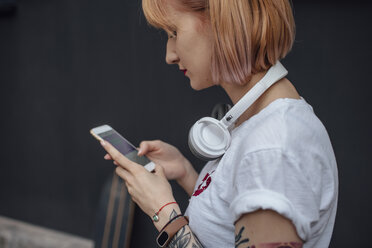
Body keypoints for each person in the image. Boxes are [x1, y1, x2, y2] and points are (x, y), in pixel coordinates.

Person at [100, 0, 338, 247]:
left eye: (174, 32)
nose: (169, 55)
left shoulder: (273, 150)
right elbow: (227, 229)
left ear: (223, 23)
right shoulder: (259, 124)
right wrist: (186, 173)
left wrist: (164, 212)